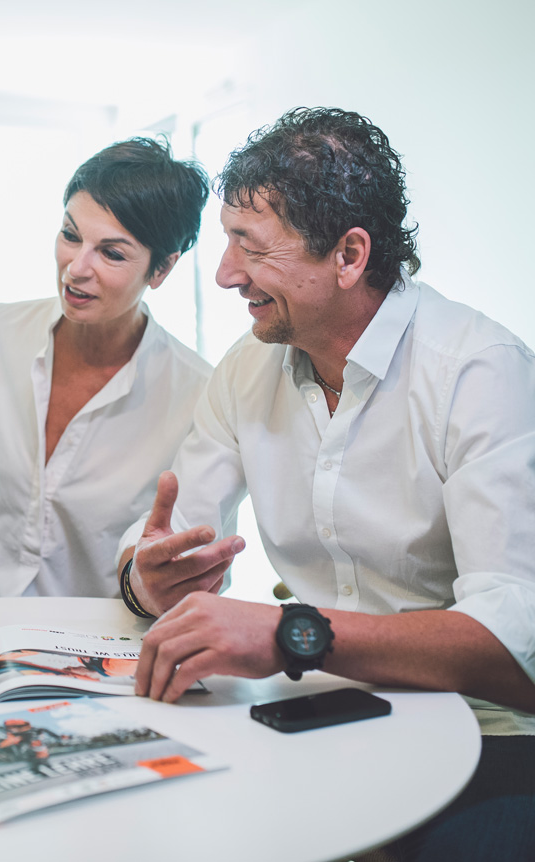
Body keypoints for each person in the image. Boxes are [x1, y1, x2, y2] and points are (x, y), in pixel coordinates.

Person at [120, 108, 535, 859]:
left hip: (490, 741)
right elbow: (167, 536)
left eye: (249, 245)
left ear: (348, 255)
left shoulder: (479, 371)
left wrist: (289, 634)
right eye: (225, 241)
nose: (224, 273)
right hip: (319, 712)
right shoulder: (247, 369)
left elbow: (512, 644)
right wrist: (147, 576)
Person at [0, 138, 213, 597]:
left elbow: (185, 550)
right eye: (71, 235)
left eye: (111, 253)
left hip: (107, 644)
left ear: (162, 269)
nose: (76, 269)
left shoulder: (197, 392)